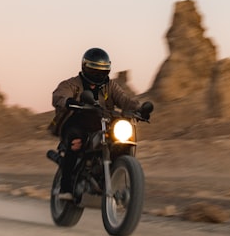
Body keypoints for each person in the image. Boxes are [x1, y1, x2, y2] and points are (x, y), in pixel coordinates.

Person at [48, 47, 152, 199]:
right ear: (85, 67)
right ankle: (65, 188)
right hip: (76, 122)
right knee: (76, 142)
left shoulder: (110, 86)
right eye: (94, 70)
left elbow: (125, 100)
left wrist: (139, 109)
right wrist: (68, 101)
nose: (99, 74)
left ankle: (112, 176)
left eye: (102, 71)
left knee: (120, 143)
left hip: (101, 123)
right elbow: (58, 95)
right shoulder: (72, 84)